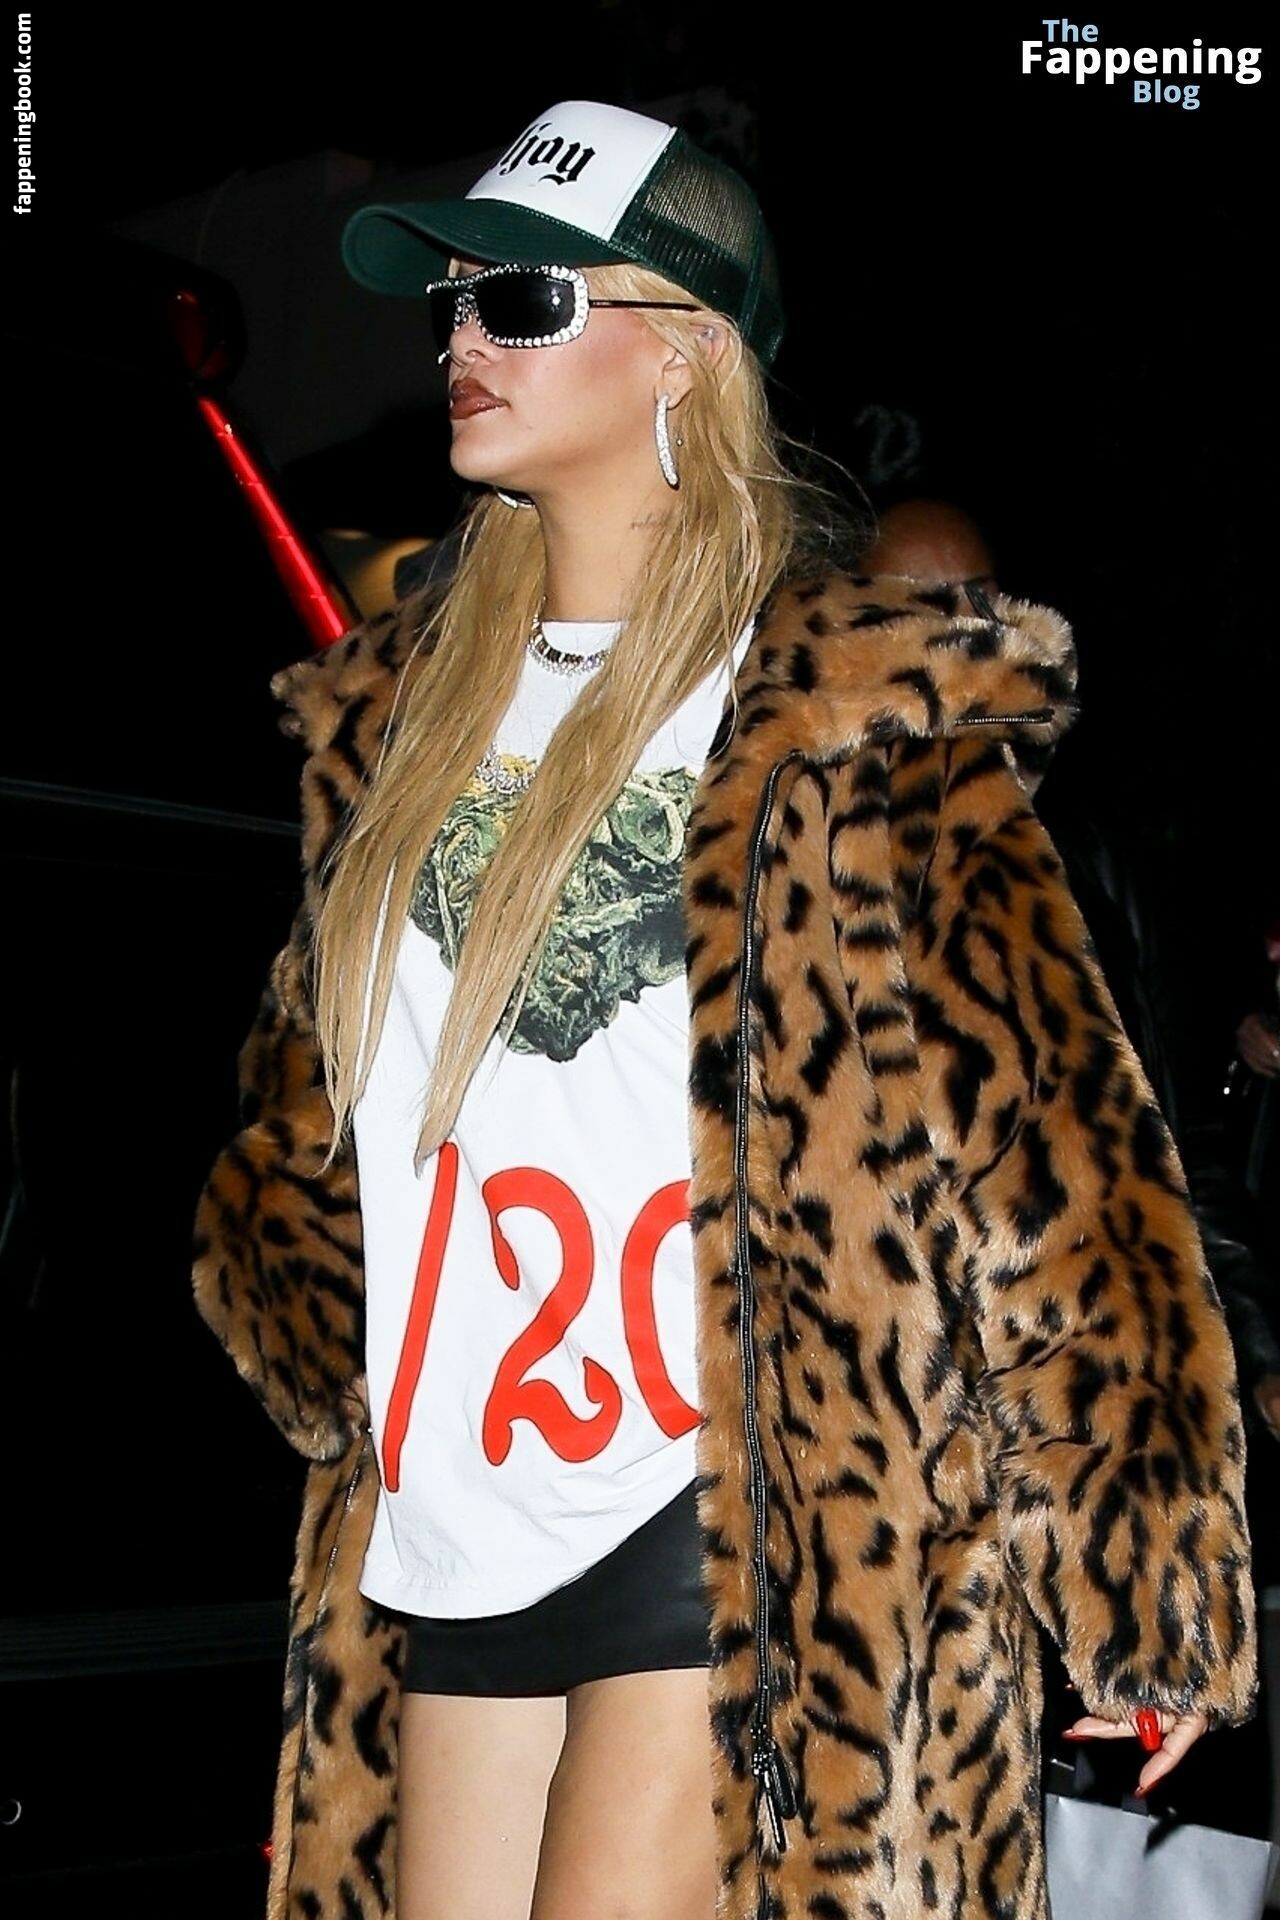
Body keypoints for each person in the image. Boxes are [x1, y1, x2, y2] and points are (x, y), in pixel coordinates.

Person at [193, 101, 1258, 1920]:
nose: (461, 339)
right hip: (453, 1511)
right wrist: (297, 1299)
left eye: (524, 298)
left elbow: (1051, 1141)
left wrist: (1138, 1550)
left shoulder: (852, 721)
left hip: (724, 1503)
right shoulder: (395, 728)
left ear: (685, 349)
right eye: (453, 300)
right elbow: (311, 1122)